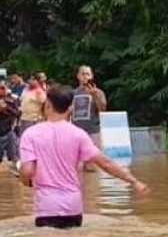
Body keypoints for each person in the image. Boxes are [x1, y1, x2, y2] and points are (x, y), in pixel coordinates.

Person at [18, 85, 148, 229]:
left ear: (47, 105)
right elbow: (106, 163)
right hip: (73, 207)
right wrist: (134, 181)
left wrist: (26, 181)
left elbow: (27, 171)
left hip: (47, 207)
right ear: (71, 109)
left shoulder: (30, 134)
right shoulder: (79, 134)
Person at [72, 65, 107, 148]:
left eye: (88, 74)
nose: (85, 76)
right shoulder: (73, 93)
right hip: (76, 133)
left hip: (93, 132)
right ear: (78, 76)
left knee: (93, 159)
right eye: (83, 74)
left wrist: (95, 96)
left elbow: (102, 110)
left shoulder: (98, 92)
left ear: (91, 76)